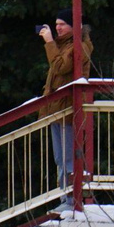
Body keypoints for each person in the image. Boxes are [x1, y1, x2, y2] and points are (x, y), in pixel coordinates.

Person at [40, 17, 86, 205]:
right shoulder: (64, 45)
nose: (57, 27)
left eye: (62, 24)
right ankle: (64, 198)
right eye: (56, 24)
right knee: (60, 157)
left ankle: (71, 199)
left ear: (74, 26)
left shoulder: (80, 45)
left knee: (68, 157)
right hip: (58, 110)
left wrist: (49, 43)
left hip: (68, 110)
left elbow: (60, 67)